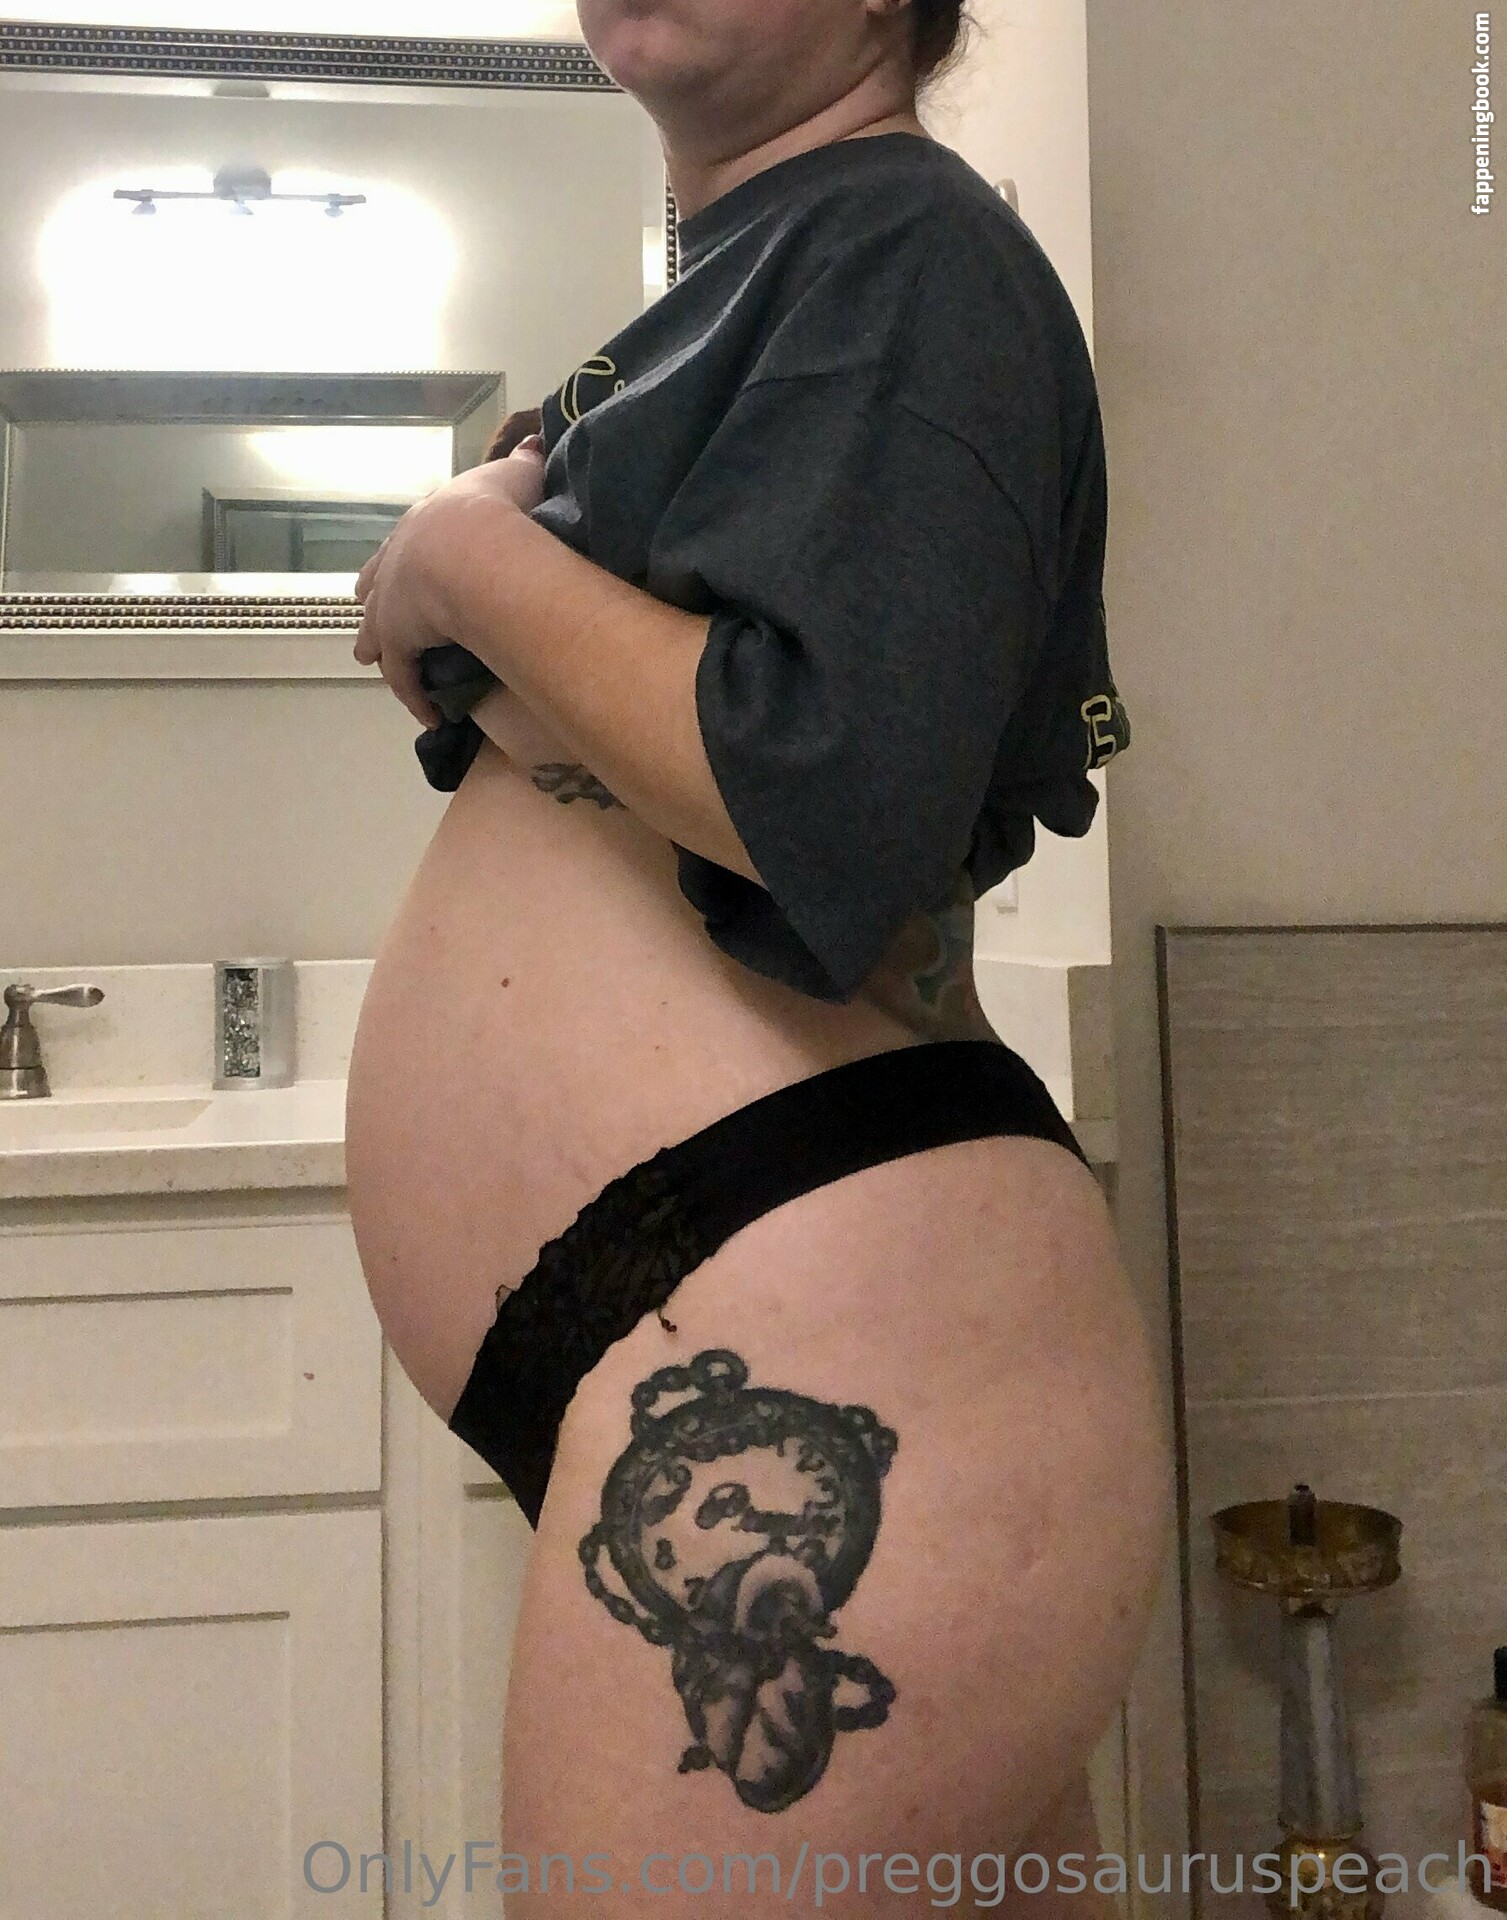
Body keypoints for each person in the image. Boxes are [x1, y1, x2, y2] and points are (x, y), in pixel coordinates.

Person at [345, 1, 1174, 1913]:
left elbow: (817, 784)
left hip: (816, 1318)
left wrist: (464, 554)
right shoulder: (746, 288)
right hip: (752, 1326)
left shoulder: (905, 243)